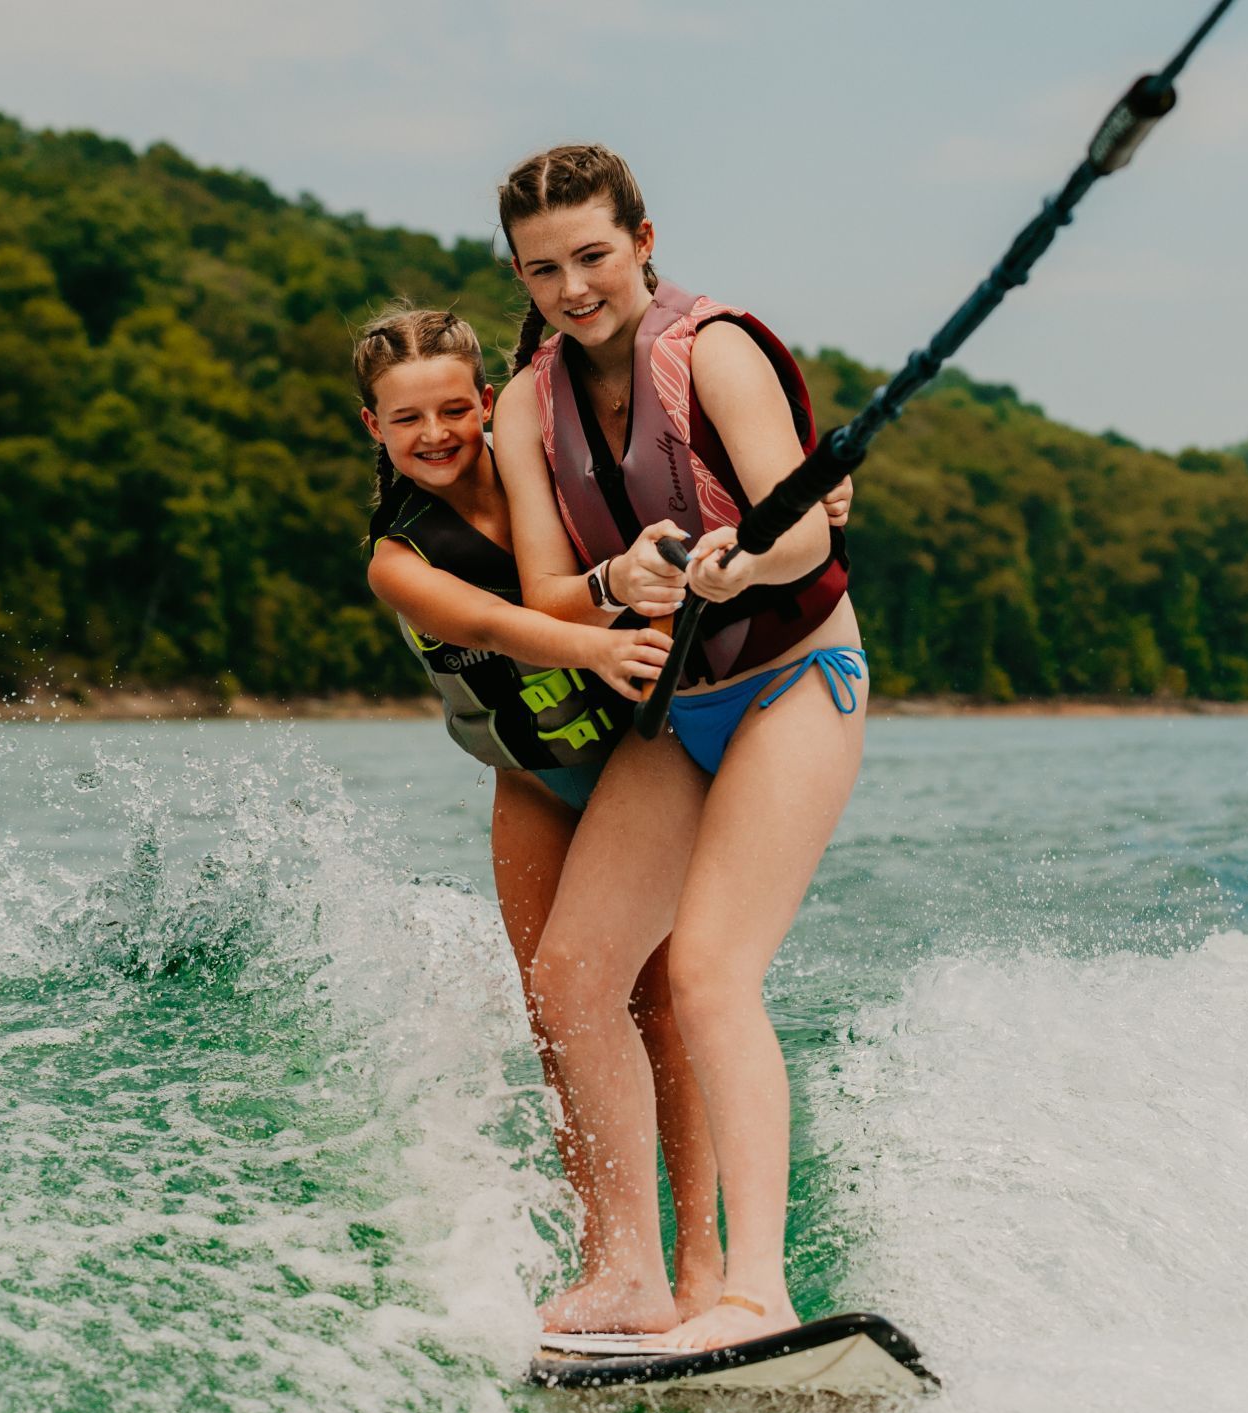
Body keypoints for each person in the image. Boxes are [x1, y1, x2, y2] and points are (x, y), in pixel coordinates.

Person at [493, 145, 868, 1352]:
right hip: (676, 713)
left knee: (707, 969)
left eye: (594, 256)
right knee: (572, 975)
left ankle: (757, 1287)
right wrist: (623, 576)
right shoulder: (523, 402)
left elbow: (805, 534)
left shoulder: (715, 351)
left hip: (794, 681)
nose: (574, 287)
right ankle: (631, 1277)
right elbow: (549, 592)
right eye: (544, 269)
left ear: (644, 240)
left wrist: (741, 560)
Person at [352, 305, 725, 1322]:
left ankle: (700, 1271)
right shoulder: (398, 558)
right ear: (372, 430)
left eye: (452, 407)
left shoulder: (548, 484)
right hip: (531, 787)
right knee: (560, 1024)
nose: (433, 432)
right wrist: (598, 644)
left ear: (486, 402)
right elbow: (494, 621)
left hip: (635, 769)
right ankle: (608, 1260)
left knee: (655, 1006)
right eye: (405, 418)